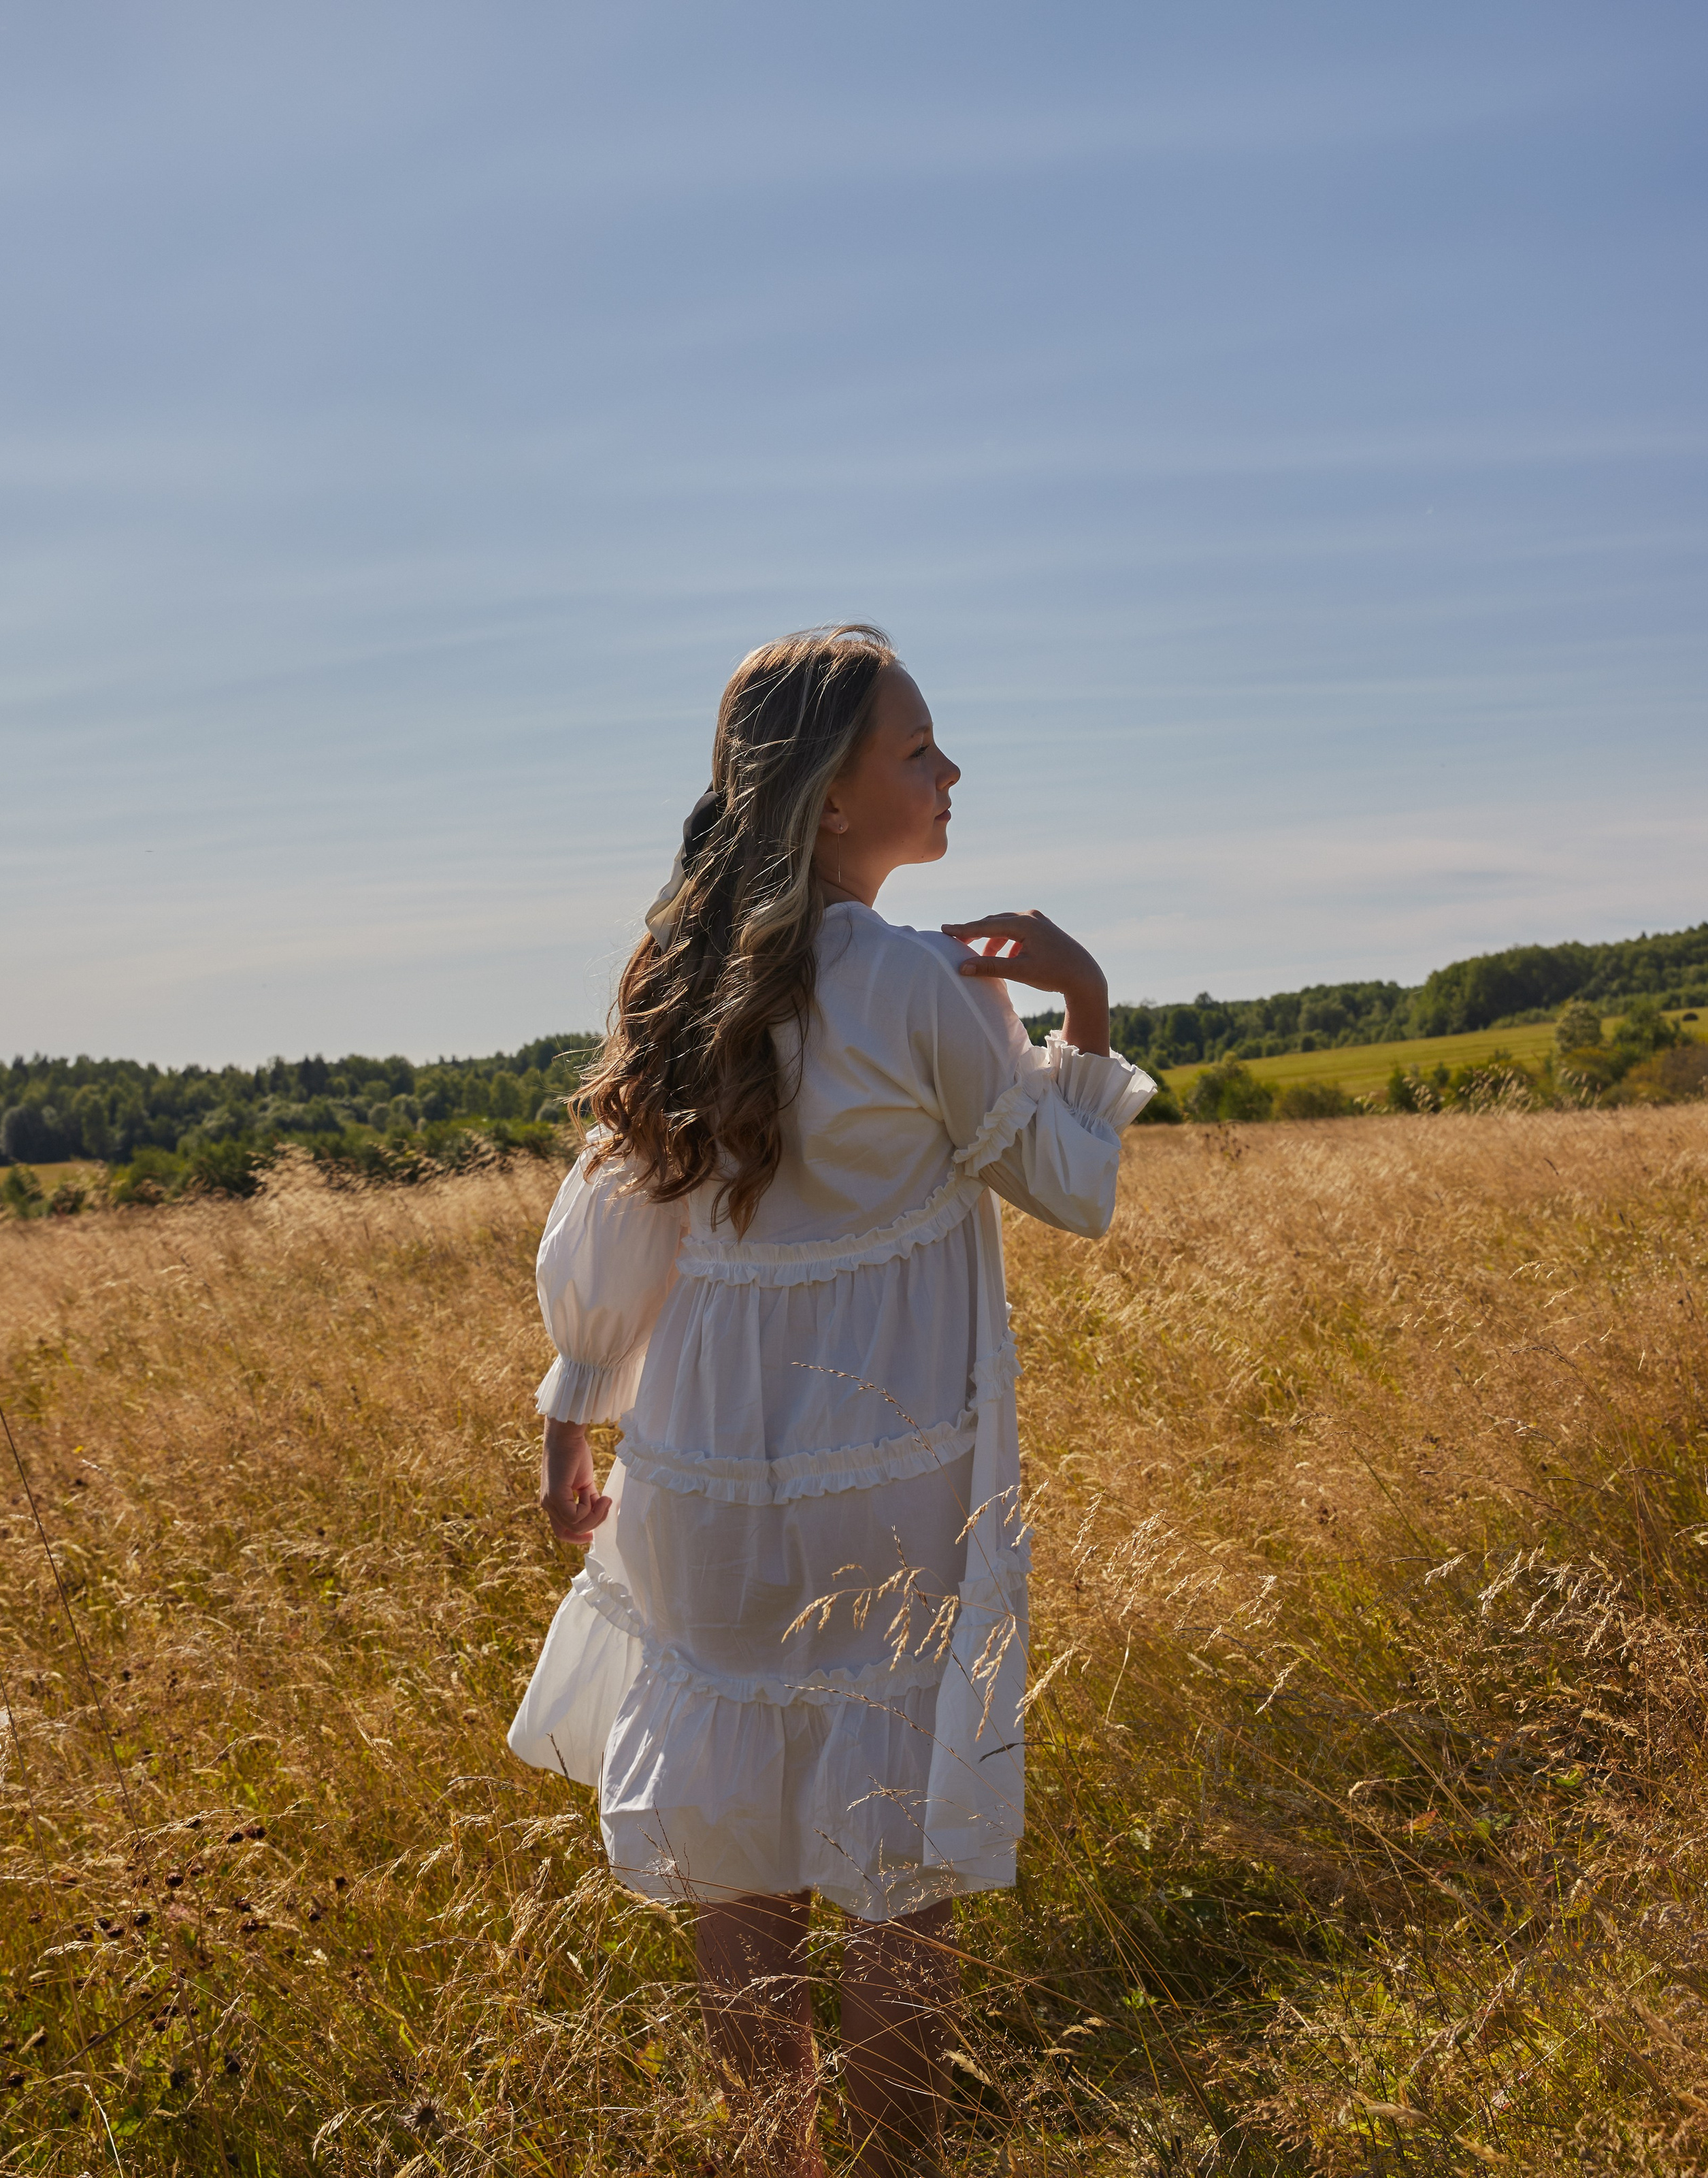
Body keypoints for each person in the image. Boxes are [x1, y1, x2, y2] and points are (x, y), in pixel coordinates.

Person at [508, 625, 1153, 2175]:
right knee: (895, 1862)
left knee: (738, 1847)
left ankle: (773, 2159)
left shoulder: (681, 980)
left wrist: (572, 1413)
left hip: (701, 1473)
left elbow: (617, 1217)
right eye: (917, 749)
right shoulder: (920, 984)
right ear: (831, 795)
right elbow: (1071, 1188)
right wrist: (1083, 1000)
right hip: (890, 1473)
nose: (949, 770)